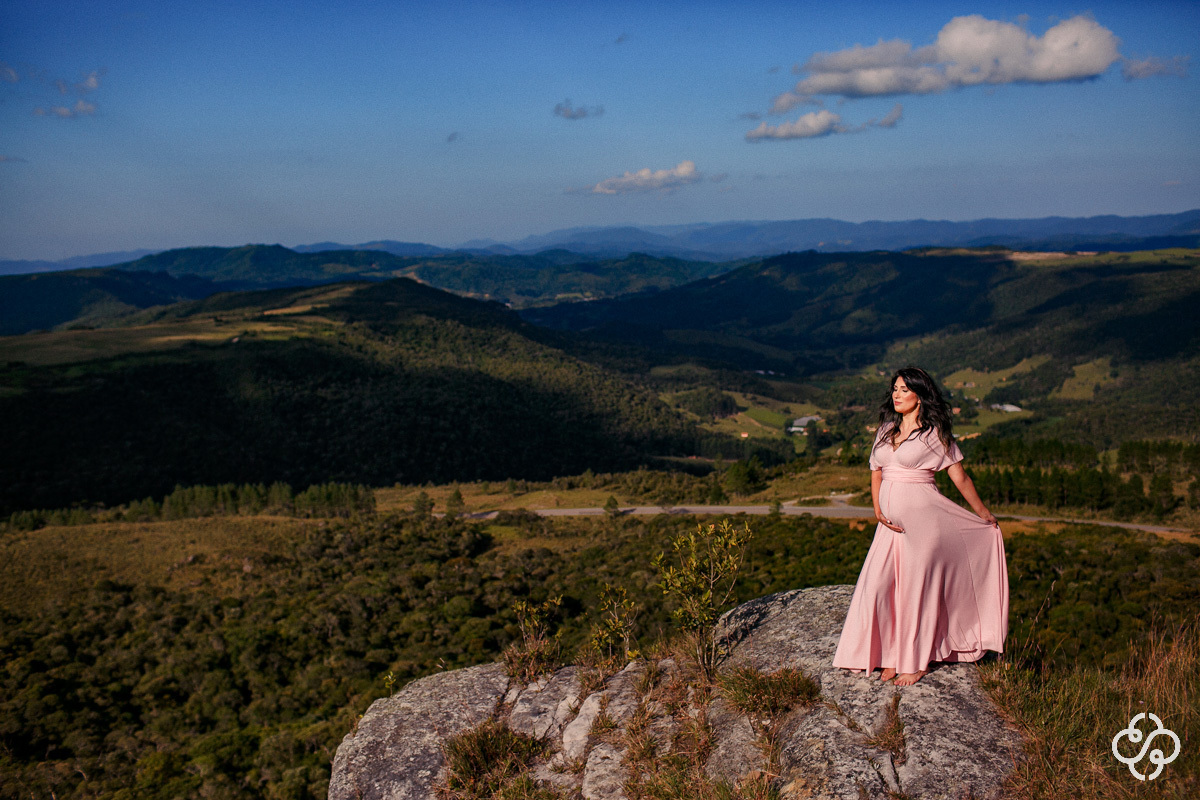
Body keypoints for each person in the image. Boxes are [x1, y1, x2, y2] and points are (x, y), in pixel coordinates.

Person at [832, 366, 1009, 686]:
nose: (896, 395)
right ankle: (890, 654)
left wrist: (983, 513)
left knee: (917, 591)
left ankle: (915, 662)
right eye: (894, 389)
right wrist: (877, 508)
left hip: (926, 524)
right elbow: (876, 471)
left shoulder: (935, 434)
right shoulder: (885, 430)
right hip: (890, 527)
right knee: (880, 586)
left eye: (904, 390)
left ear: (920, 395)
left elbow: (959, 477)